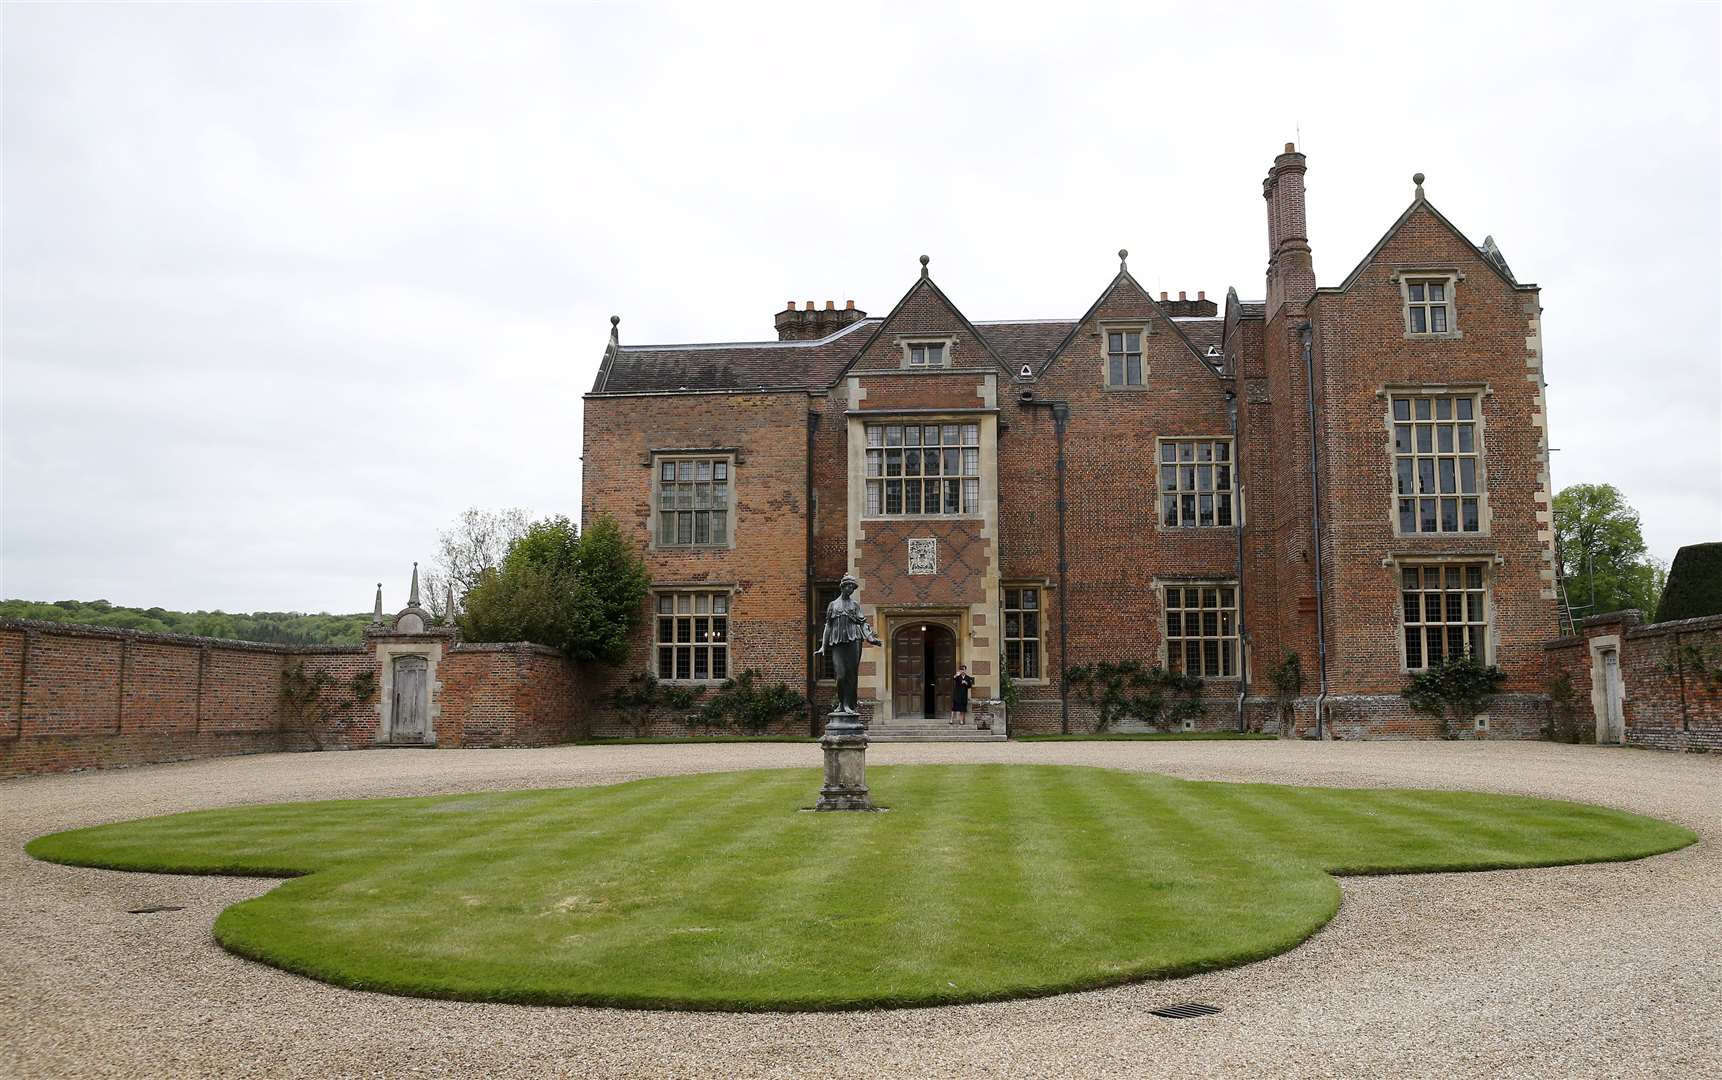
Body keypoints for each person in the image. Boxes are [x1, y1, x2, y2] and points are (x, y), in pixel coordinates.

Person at [812, 574, 880, 720]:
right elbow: (828, 626)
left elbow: (862, 623)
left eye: (853, 587)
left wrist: (870, 637)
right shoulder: (833, 605)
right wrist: (823, 646)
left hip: (854, 640)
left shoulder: (854, 605)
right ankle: (842, 703)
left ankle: (848, 705)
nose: (851, 589)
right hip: (838, 642)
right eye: (849, 586)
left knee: (851, 675)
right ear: (842, 586)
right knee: (841, 675)